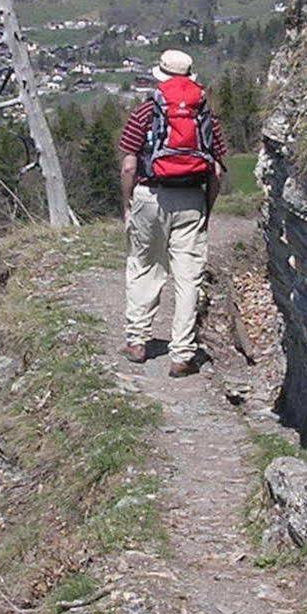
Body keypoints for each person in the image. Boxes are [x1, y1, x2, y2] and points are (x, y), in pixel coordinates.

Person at [119, 47, 226, 376]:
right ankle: (181, 355)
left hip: (151, 196)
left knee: (144, 267)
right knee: (188, 278)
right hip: (192, 197)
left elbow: (128, 165)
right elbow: (218, 171)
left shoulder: (145, 112)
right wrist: (206, 207)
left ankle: (137, 341)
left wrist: (128, 203)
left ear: (160, 76)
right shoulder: (206, 116)